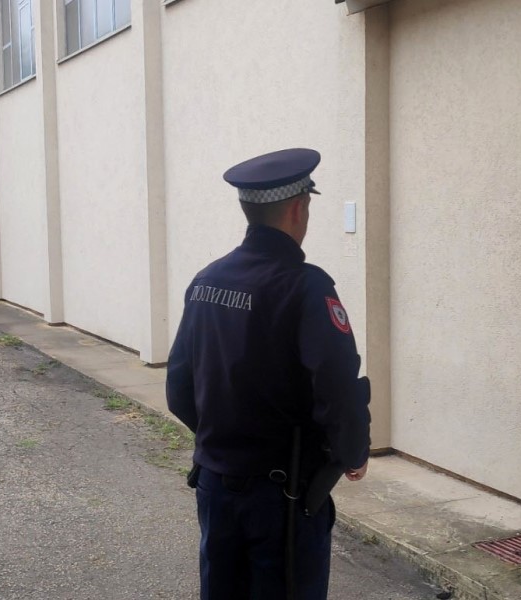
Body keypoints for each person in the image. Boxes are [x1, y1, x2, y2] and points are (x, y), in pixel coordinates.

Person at [166, 148, 371, 600]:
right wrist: (352, 452)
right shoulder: (305, 286)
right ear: (299, 207)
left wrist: (227, 445)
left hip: (215, 484)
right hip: (282, 495)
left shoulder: (207, 279)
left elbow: (179, 387)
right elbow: (338, 388)